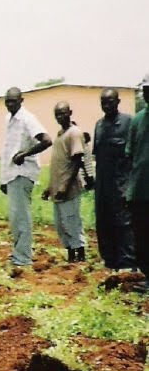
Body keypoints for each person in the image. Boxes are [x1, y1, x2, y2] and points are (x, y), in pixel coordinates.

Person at [0, 86, 51, 273]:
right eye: (7, 101)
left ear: (21, 100)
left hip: (23, 173)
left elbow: (46, 140)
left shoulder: (27, 118)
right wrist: (4, 179)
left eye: (13, 101)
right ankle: (18, 254)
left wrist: (25, 154)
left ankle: (23, 259)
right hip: (12, 174)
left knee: (21, 217)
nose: (10, 105)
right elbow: (8, 149)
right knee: (15, 217)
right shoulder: (9, 119)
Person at [42, 101, 92, 262]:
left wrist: (64, 186)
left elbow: (77, 161)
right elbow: (58, 164)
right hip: (58, 189)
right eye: (57, 114)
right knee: (61, 225)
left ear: (70, 112)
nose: (60, 117)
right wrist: (50, 187)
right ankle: (71, 255)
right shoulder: (59, 135)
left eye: (63, 113)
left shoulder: (74, 133)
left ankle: (81, 255)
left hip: (69, 188)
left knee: (72, 222)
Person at [93, 88, 136, 271]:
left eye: (110, 101)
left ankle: (127, 264)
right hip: (103, 183)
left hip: (122, 181)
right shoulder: (99, 125)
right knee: (104, 222)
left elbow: (133, 155)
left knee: (124, 223)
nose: (107, 105)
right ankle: (110, 262)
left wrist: (129, 186)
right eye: (103, 102)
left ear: (118, 102)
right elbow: (97, 155)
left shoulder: (128, 123)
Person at [125, 74, 149, 291]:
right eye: (145, 90)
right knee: (141, 237)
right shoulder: (138, 120)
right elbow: (130, 156)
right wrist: (129, 190)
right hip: (140, 190)